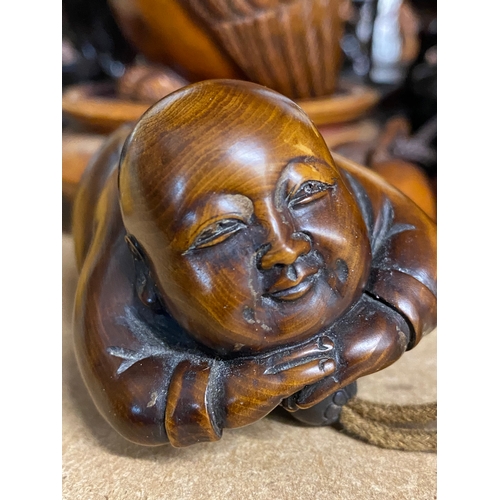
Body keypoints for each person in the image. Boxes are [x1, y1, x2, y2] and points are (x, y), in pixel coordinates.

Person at [72, 80, 436, 447]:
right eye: (221, 229)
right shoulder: (126, 249)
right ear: (146, 273)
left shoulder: (313, 165)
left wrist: (376, 329)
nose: (285, 248)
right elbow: (129, 394)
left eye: (306, 192)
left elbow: (426, 253)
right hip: (111, 161)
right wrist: (228, 388)